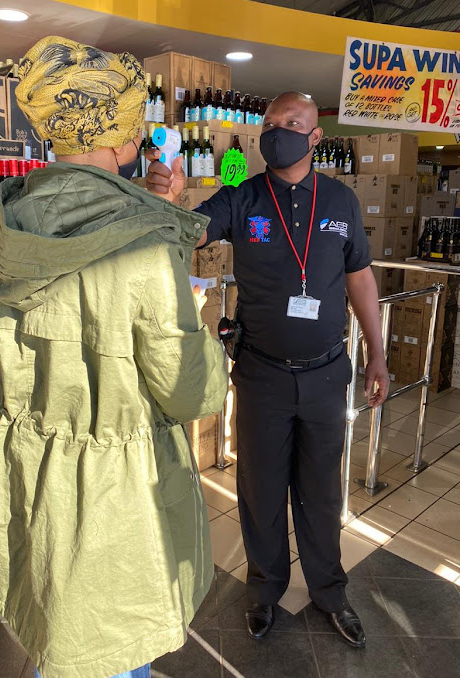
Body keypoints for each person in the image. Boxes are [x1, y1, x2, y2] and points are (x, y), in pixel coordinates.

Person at [0, 36, 228, 678]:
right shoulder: (144, 248)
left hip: (23, 462)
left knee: (56, 621)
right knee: (109, 640)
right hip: (112, 490)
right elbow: (189, 390)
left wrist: (164, 209)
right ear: (126, 138)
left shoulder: (2, 223)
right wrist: (206, 334)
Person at [146, 91, 390, 649]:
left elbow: (360, 279)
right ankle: (264, 591)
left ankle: (330, 591)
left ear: (315, 136)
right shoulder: (243, 198)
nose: (277, 132)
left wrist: (376, 352)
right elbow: (192, 233)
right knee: (259, 489)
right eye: (270, 124)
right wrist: (173, 201)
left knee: (322, 490)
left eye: (292, 123)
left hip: (328, 372)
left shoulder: (341, 200)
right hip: (262, 375)